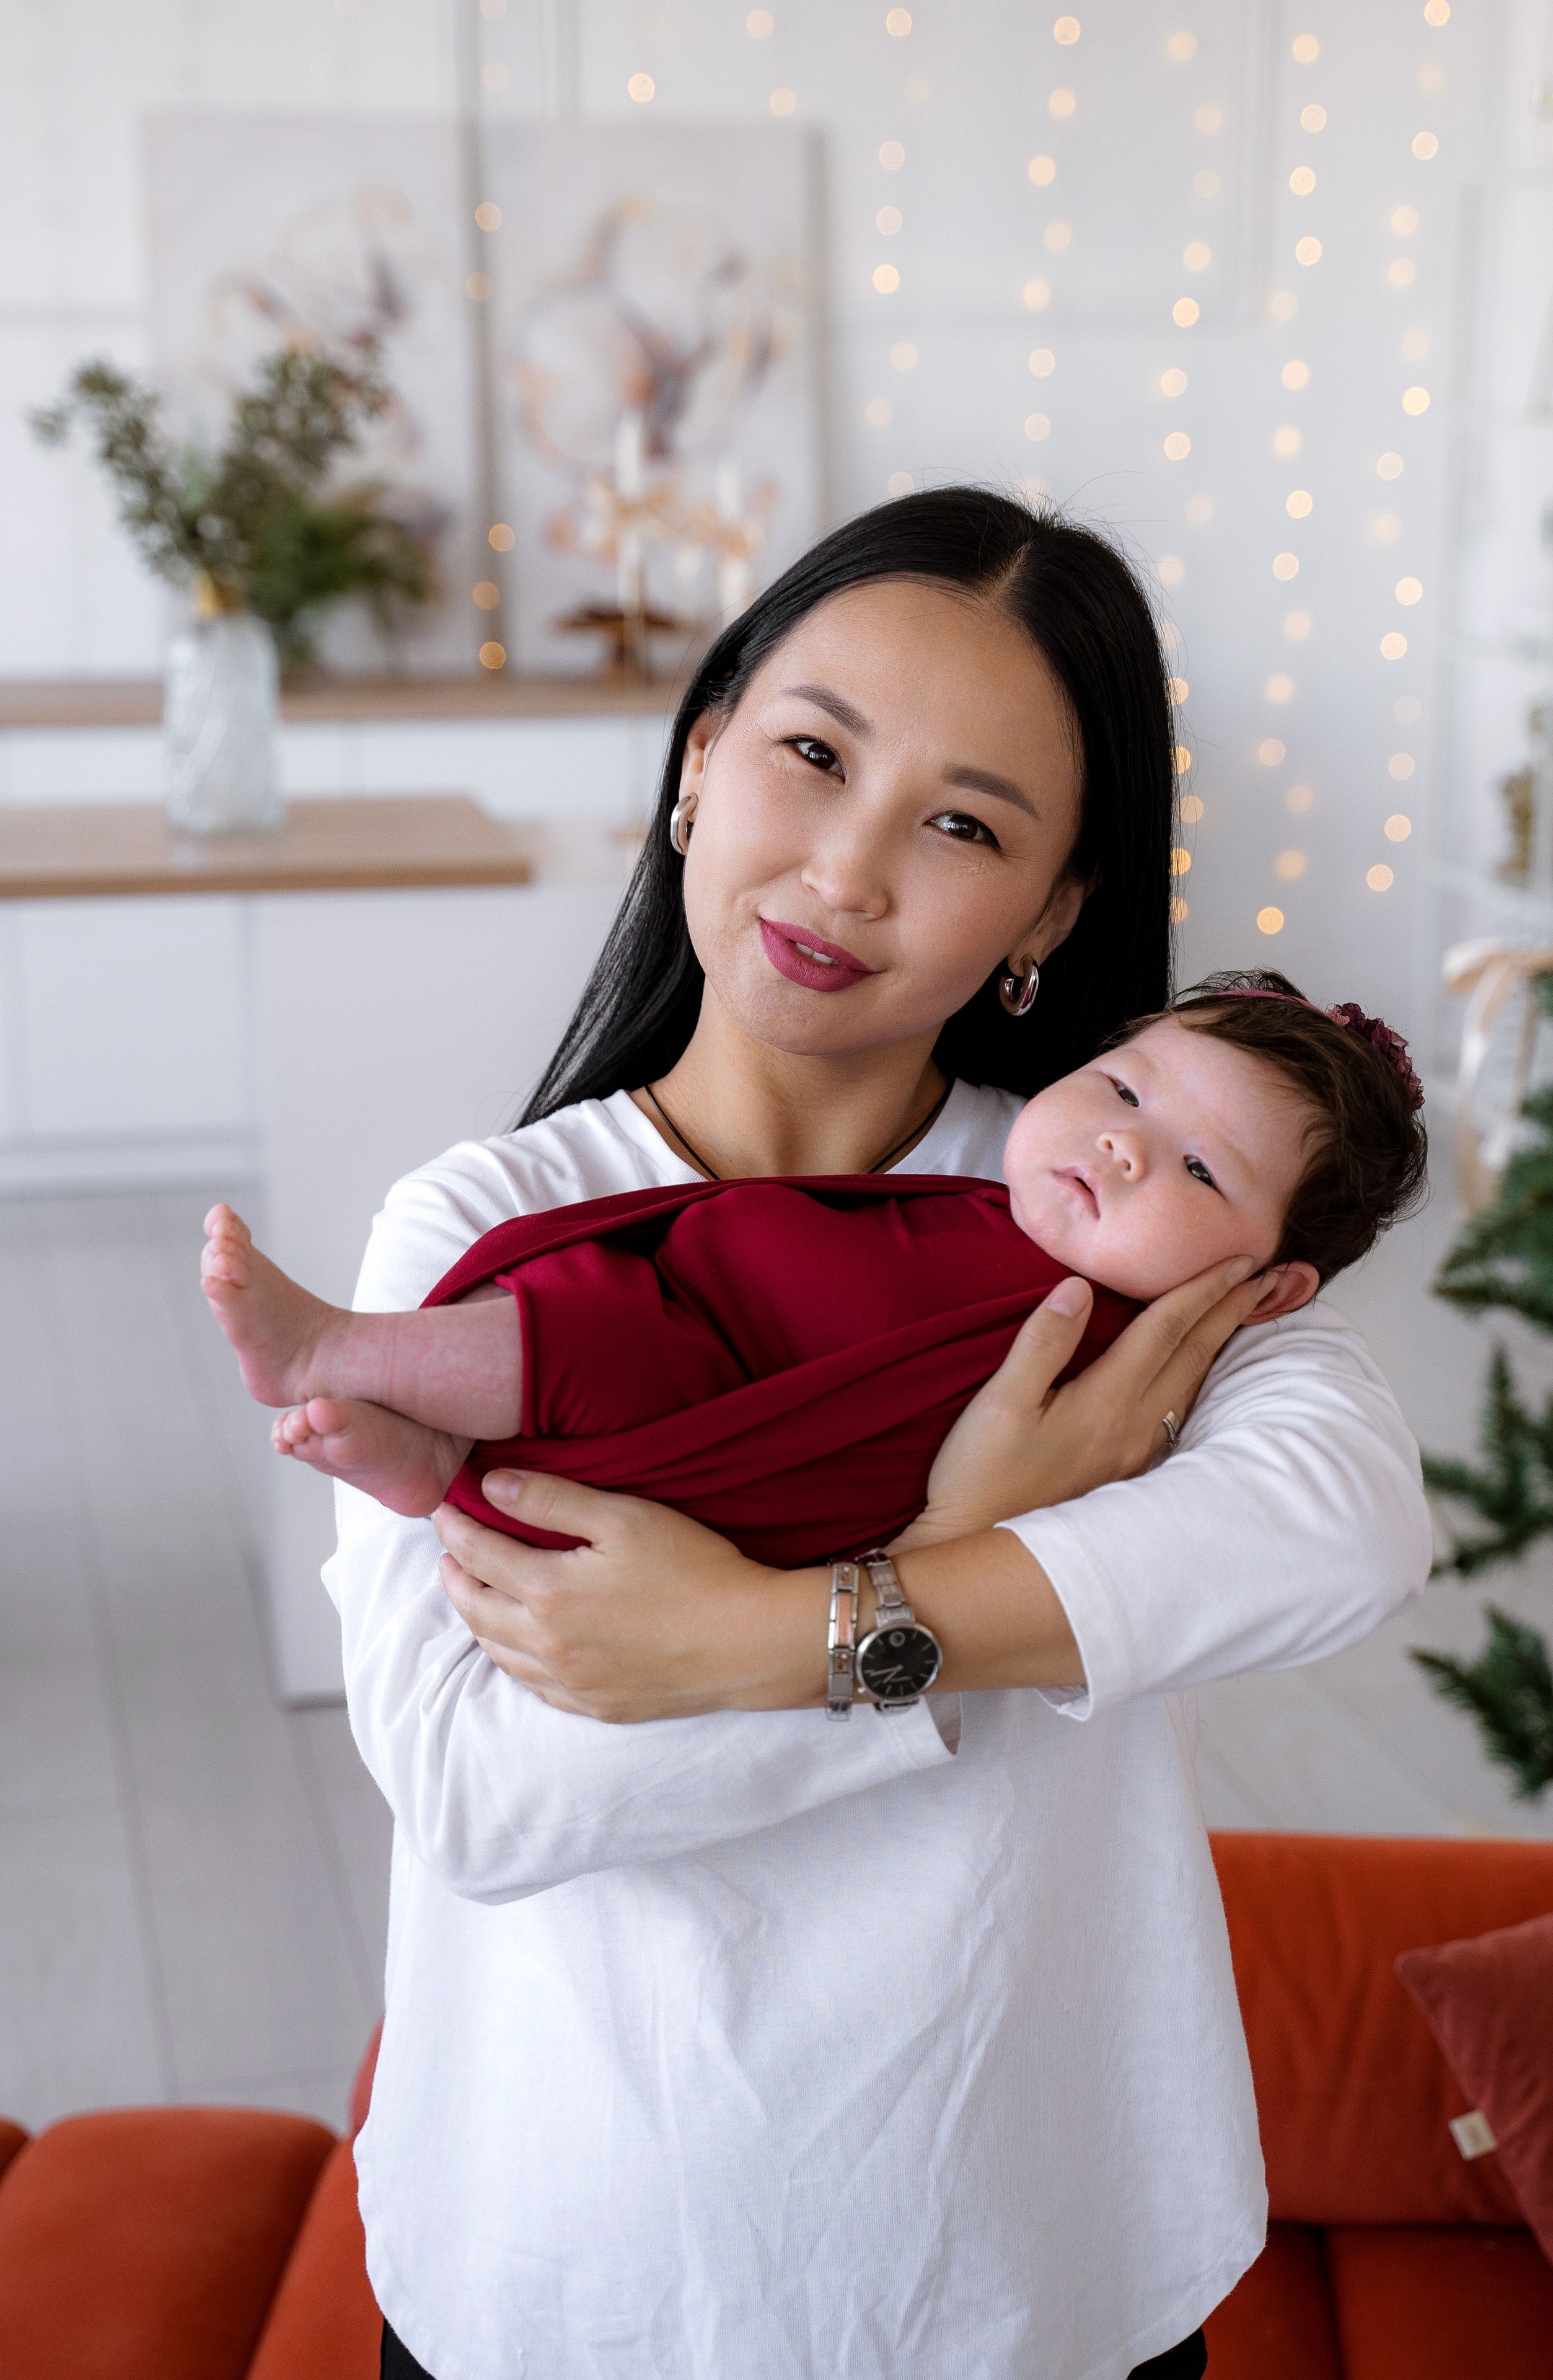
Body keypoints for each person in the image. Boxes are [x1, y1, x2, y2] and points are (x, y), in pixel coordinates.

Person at [317, 489, 1431, 2380]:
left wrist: (784, 1631)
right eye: (813, 756)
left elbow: (1341, 1523)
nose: (843, 871)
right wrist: (972, 1579)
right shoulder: (480, 1238)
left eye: (964, 825)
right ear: (697, 767)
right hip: (578, 2263)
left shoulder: (1118, 1210)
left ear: (1054, 915)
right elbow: (488, 1797)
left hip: (1033, 2253)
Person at [198, 972, 1428, 1579]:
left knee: (594, 1335)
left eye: (1198, 1169)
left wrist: (947, 1545)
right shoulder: (982, 1191)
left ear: (1265, 1288)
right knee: (578, 1301)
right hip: (698, 1324)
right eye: (1121, 1089)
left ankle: (335, 1356)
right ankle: (433, 1462)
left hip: (713, 1406)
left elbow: (1355, 1530)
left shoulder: (1144, 1358)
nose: (1121, 1142)